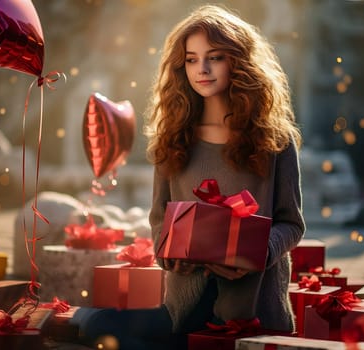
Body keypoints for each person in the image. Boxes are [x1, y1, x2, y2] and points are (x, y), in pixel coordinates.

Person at [70, 4, 305, 349]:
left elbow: (292, 224)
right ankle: (79, 318)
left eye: (215, 57)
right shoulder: (173, 138)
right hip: (183, 309)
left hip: (252, 312)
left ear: (238, 62)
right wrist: (169, 256)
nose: (202, 69)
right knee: (102, 326)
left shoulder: (275, 141)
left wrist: (256, 255)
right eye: (191, 59)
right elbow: (158, 220)